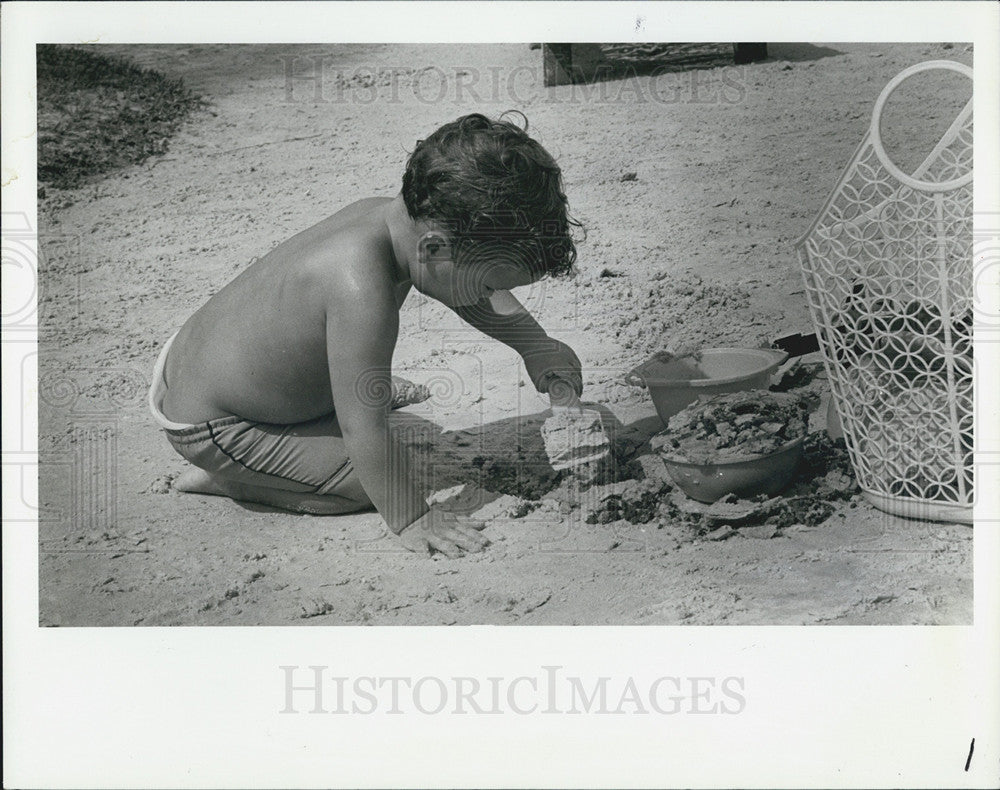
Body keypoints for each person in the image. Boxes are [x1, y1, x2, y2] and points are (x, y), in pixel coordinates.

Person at [148, 112, 584, 558]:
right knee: (367, 482)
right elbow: (363, 428)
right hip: (217, 422)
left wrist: (534, 345)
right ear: (434, 249)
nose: (492, 294)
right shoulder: (359, 288)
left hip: (213, 366)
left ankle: (324, 410)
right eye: (492, 283)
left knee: (371, 410)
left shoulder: (393, 221)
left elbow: (464, 292)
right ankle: (231, 479)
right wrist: (413, 517)